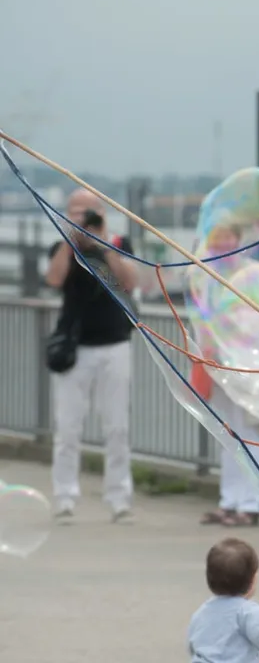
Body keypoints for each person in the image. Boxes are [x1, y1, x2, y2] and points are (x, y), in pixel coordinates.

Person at [45, 189, 140, 524]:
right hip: (77, 349)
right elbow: (54, 279)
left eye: (88, 212)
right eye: (75, 212)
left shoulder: (117, 242)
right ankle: (65, 497)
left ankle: (119, 498)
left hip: (115, 344)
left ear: (101, 212)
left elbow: (129, 282)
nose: (82, 217)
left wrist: (102, 243)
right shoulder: (62, 247)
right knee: (68, 428)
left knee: (117, 427)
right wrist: (71, 242)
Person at [191, 223, 259, 528]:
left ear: (239, 241)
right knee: (226, 433)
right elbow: (200, 318)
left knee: (247, 433)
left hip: (244, 364)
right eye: (216, 244)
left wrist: (228, 328)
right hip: (216, 363)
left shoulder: (253, 275)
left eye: (227, 242)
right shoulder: (206, 276)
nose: (221, 249)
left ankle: (250, 504)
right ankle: (229, 501)